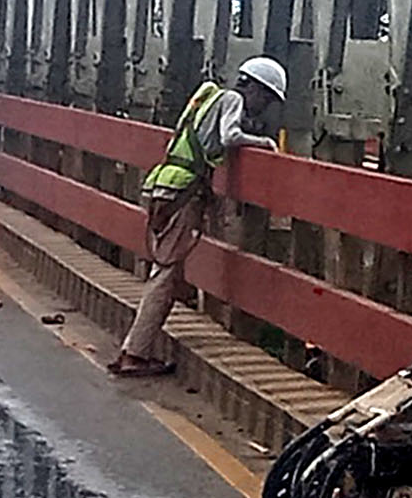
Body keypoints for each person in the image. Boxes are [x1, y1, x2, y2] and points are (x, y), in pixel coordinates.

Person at [110, 55, 287, 378]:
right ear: (256, 89)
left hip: (162, 186)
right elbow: (230, 136)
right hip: (182, 192)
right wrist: (264, 143)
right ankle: (135, 353)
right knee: (164, 274)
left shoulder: (207, 96)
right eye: (267, 98)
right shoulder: (232, 98)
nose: (264, 107)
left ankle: (137, 348)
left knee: (164, 269)